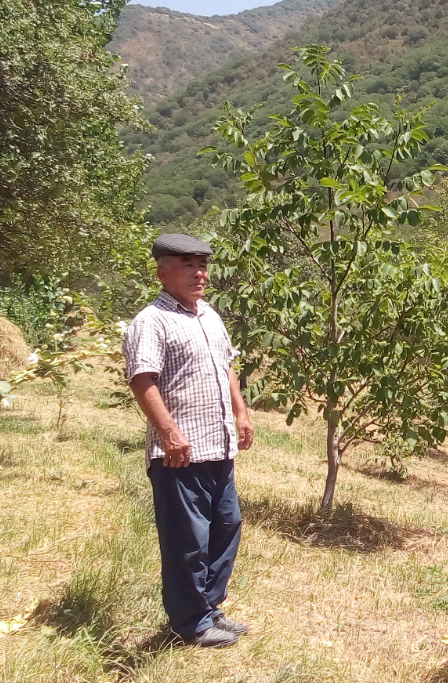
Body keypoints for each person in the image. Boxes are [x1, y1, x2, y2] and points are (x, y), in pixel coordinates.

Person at [123, 233, 255, 648]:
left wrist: (241, 411)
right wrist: (169, 431)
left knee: (226, 525)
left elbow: (227, 365)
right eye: (188, 265)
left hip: (218, 445)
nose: (200, 273)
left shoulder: (208, 315)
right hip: (180, 452)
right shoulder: (151, 321)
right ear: (163, 272)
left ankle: (210, 608)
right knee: (187, 540)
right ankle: (190, 623)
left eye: (202, 265)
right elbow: (141, 380)